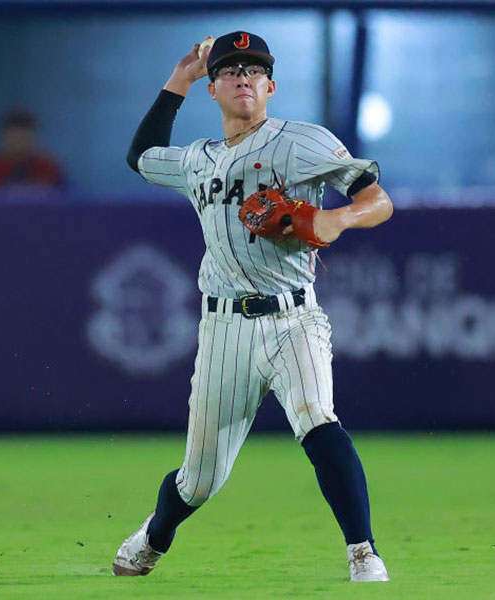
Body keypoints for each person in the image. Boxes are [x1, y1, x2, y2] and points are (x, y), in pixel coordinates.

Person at [112, 31, 394, 582]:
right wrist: (179, 80)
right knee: (198, 481)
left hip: (295, 317)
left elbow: (377, 199)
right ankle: (153, 535)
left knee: (317, 417)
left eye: (253, 69)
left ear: (270, 86)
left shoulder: (302, 142)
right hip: (224, 329)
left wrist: (339, 218)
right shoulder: (199, 160)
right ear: (213, 88)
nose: (243, 75)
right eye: (229, 69)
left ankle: (363, 550)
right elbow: (140, 157)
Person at [0, 109, 65, 190]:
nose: (19, 144)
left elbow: (67, 200)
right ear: (3, 138)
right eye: (14, 137)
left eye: (24, 137)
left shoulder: (50, 168)